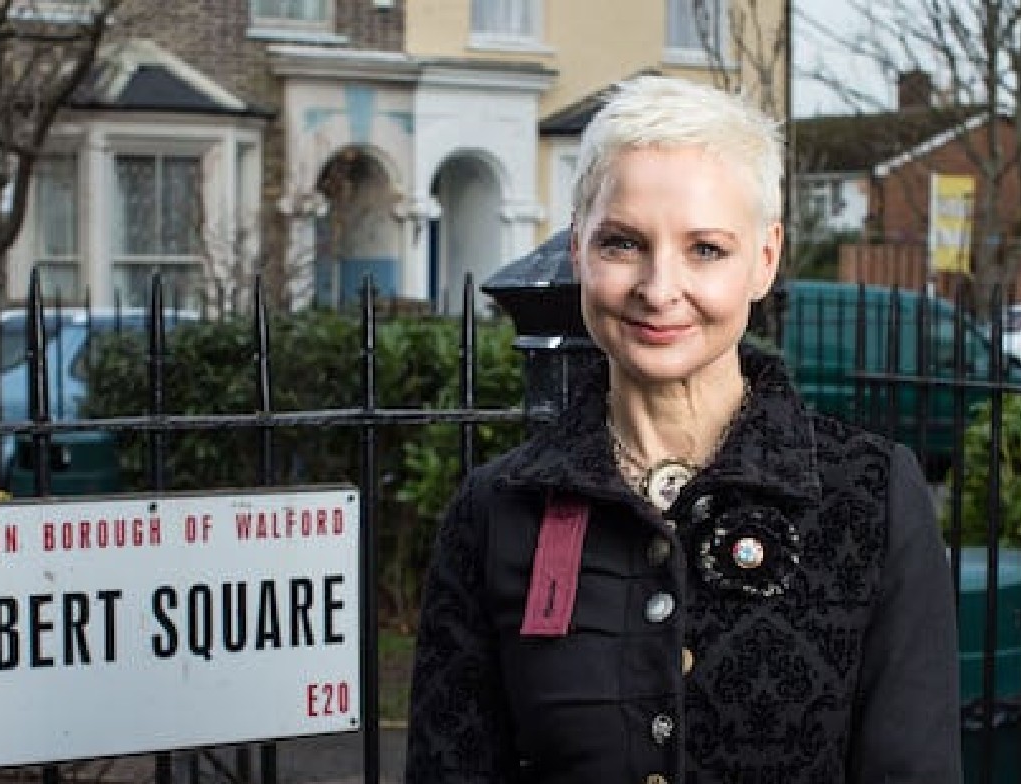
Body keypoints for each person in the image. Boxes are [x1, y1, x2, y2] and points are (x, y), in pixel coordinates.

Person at [405, 74, 961, 784]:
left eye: (706, 249)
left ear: (764, 259)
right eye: (623, 243)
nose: (659, 289)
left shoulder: (869, 496)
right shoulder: (495, 511)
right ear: (577, 250)